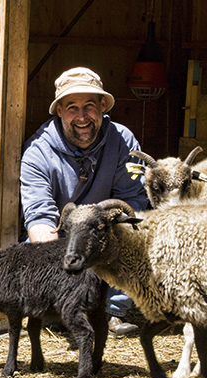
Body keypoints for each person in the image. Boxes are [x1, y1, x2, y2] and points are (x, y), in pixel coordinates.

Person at [20, 67, 149, 334]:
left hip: (107, 233)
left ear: (103, 106)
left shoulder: (123, 142)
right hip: (63, 239)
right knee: (28, 253)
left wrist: (101, 240)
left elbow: (132, 201)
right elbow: (40, 216)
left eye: (89, 106)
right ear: (58, 110)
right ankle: (60, 310)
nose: (81, 116)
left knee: (138, 231)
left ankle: (114, 311)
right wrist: (67, 263)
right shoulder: (37, 152)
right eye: (72, 108)